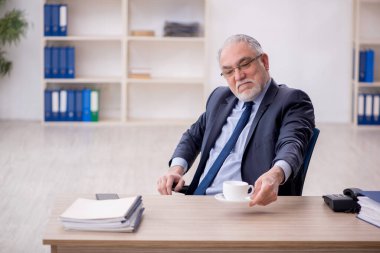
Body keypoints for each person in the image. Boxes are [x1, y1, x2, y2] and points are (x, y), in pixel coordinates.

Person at [157, 34, 315, 206]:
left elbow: (292, 143)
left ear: (265, 62)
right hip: (198, 201)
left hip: (247, 206)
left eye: (245, 64)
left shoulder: (291, 100)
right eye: (228, 71)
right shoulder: (219, 97)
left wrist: (276, 174)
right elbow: (193, 136)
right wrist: (176, 170)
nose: (238, 76)